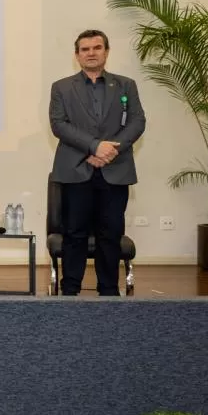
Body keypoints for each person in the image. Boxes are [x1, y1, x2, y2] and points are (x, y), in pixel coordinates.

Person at [49, 29, 146, 296]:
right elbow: (59, 125)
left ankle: (108, 293)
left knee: (111, 234)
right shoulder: (61, 87)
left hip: (115, 170)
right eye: (85, 49)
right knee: (74, 234)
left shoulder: (126, 85)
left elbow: (138, 121)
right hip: (76, 170)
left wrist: (110, 150)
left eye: (97, 48)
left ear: (106, 51)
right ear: (77, 55)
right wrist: (94, 147)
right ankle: (70, 292)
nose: (91, 53)